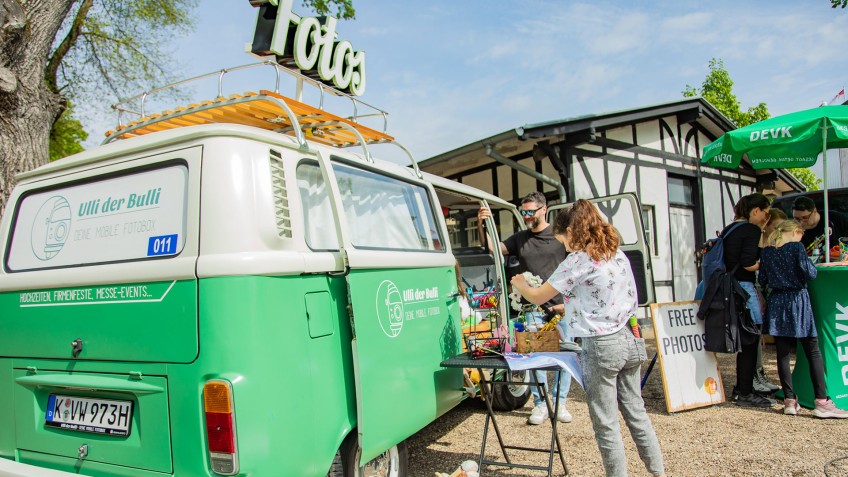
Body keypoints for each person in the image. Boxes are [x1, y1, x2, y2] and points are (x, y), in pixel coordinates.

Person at [511, 200, 665, 477]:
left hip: (602, 347)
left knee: (606, 425)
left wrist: (520, 283)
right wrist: (568, 306)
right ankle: (659, 473)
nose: (565, 247)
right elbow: (603, 295)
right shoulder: (616, 253)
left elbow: (537, 296)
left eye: (564, 241)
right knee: (637, 414)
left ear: (572, 231)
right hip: (630, 340)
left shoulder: (578, 260)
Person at [477, 191, 571, 425]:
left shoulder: (559, 235)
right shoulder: (520, 238)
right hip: (533, 309)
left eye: (531, 212)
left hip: (560, 306)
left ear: (544, 209)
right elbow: (493, 248)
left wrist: (570, 302)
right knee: (536, 357)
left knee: (564, 357)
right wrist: (483, 224)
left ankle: (560, 403)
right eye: (523, 212)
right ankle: (540, 404)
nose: (527, 216)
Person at [759, 220, 848, 418]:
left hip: (777, 301)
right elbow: (811, 273)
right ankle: (822, 401)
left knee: (782, 353)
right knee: (812, 350)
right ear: (796, 232)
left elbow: (762, 279)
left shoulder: (766, 252)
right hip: (798, 300)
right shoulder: (797, 248)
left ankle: (790, 401)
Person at [720, 193, 774, 407]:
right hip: (744, 289)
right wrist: (767, 261)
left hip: (729, 287)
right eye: (765, 213)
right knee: (751, 342)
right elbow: (748, 263)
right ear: (755, 211)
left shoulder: (730, 228)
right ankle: (745, 392)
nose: (765, 218)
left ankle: (742, 389)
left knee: (745, 343)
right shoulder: (751, 229)